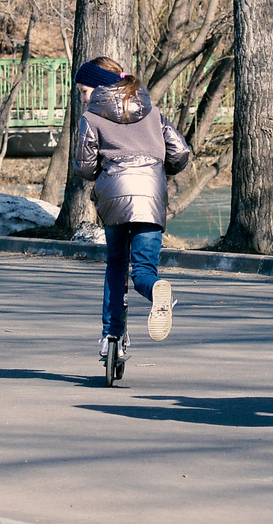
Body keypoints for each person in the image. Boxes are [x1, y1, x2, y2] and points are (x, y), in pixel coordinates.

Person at [72, 57, 191, 383]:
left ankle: (112, 336)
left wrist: (102, 172)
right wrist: (157, 172)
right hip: (151, 197)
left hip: (114, 197)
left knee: (115, 266)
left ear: (98, 86)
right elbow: (180, 152)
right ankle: (156, 291)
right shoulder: (152, 113)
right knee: (142, 271)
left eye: (84, 90)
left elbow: (83, 166)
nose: (82, 97)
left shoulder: (91, 116)